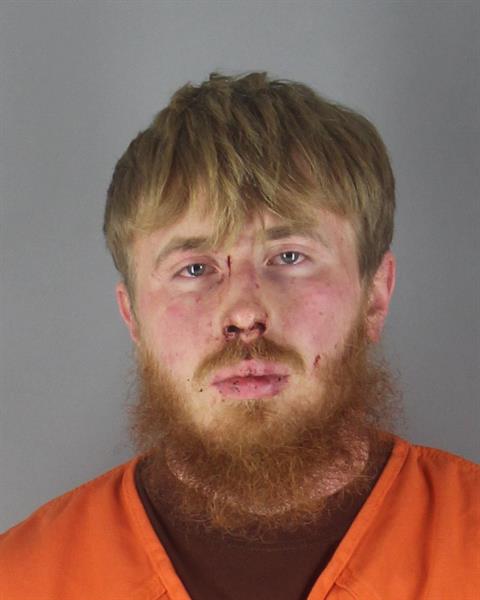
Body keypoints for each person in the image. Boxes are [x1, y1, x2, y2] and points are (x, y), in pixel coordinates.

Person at [1, 72, 478, 600]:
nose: (245, 313)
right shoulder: (22, 579)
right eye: (194, 269)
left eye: (289, 256)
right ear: (132, 315)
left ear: (376, 295)